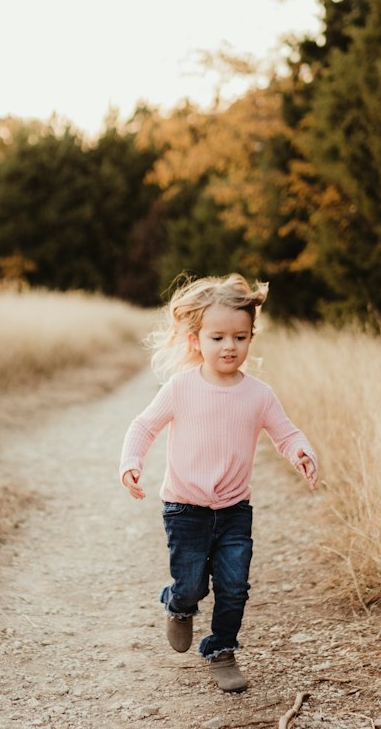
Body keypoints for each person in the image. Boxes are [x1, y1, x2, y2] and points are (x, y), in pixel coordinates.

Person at [119, 273, 318, 694]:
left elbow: (286, 434)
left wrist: (301, 452)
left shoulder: (259, 395)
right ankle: (178, 604)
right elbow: (144, 426)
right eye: (218, 337)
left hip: (233, 512)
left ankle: (221, 649)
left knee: (234, 587)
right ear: (196, 340)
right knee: (192, 583)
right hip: (185, 510)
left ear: (250, 338)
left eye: (240, 337)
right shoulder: (181, 388)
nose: (230, 346)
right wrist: (131, 462)